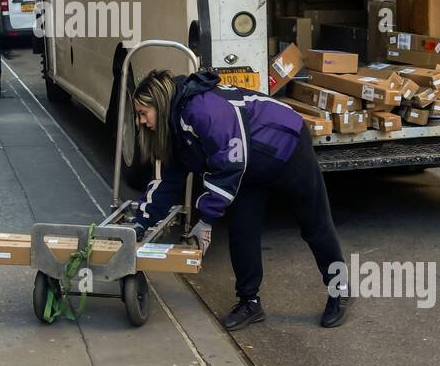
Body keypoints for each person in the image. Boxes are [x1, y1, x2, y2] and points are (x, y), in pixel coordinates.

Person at [130, 69, 351, 331]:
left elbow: (229, 161)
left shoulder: (202, 110)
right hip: (247, 165)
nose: (141, 121)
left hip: (285, 146)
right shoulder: (172, 131)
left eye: (144, 113)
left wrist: (207, 218)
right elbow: (166, 182)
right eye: (138, 115)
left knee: (314, 224)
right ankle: (250, 302)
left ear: (160, 103)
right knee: (242, 229)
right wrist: (139, 224)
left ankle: (340, 289)